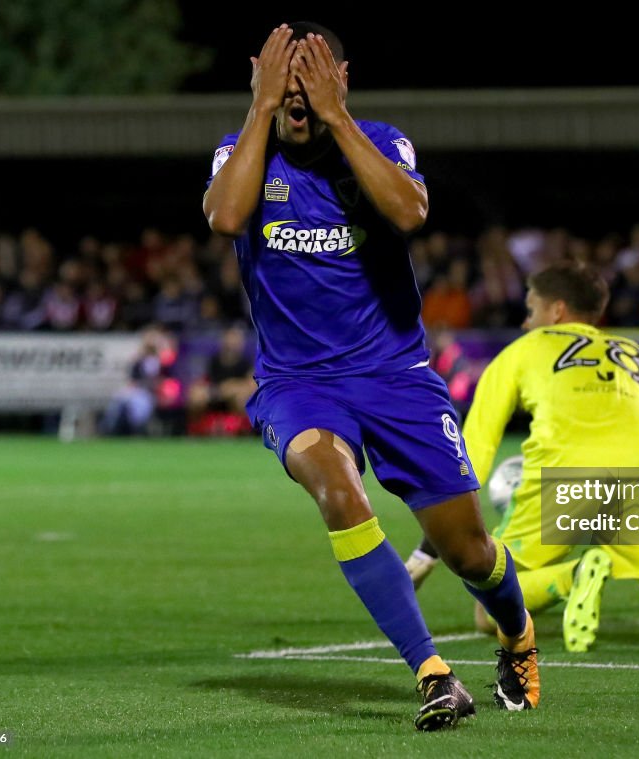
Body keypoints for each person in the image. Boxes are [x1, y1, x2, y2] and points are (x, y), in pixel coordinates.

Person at [202, 22, 537, 730]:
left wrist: (337, 116)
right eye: (283, 82)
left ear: (339, 78)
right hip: (298, 383)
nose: (296, 96)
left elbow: (412, 210)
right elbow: (226, 215)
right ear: (262, 80)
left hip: (395, 375)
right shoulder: (242, 152)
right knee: (334, 483)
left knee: (469, 552)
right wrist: (259, 108)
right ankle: (434, 672)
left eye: (309, 81)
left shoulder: (380, 142)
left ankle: (517, 632)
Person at [406, 262, 639, 655]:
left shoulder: (521, 352)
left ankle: (574, 576)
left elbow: (472, 454)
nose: (525, 324)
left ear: (557, 311)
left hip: (563, 484)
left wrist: (428, 551)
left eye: (530, 311)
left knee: (491, 608)